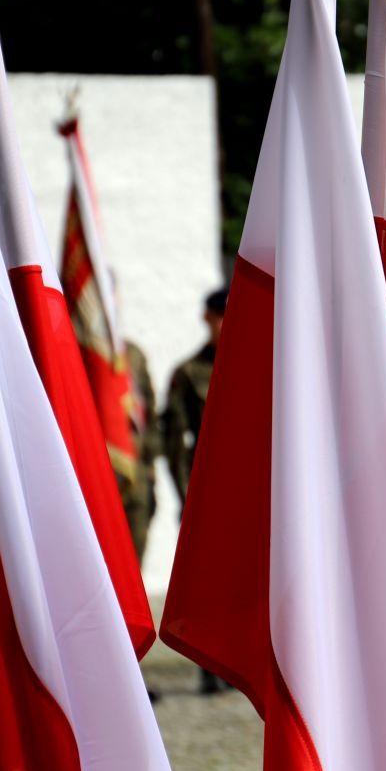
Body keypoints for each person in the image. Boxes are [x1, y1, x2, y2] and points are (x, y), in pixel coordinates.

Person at [162, 287, 228, 692]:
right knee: (207, 585)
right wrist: (189, 495)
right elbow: (174, 443)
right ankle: (208, 664)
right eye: (218, 318)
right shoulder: (189, 373)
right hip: (208, 496)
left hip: (254, 502)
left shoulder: (267, 362)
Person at [120, 339, 160, 564]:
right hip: (100, 472)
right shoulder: (82, 349)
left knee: (134, 560)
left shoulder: (133, 354)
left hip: (138, 472)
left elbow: (150, 413)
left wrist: (151, 471)